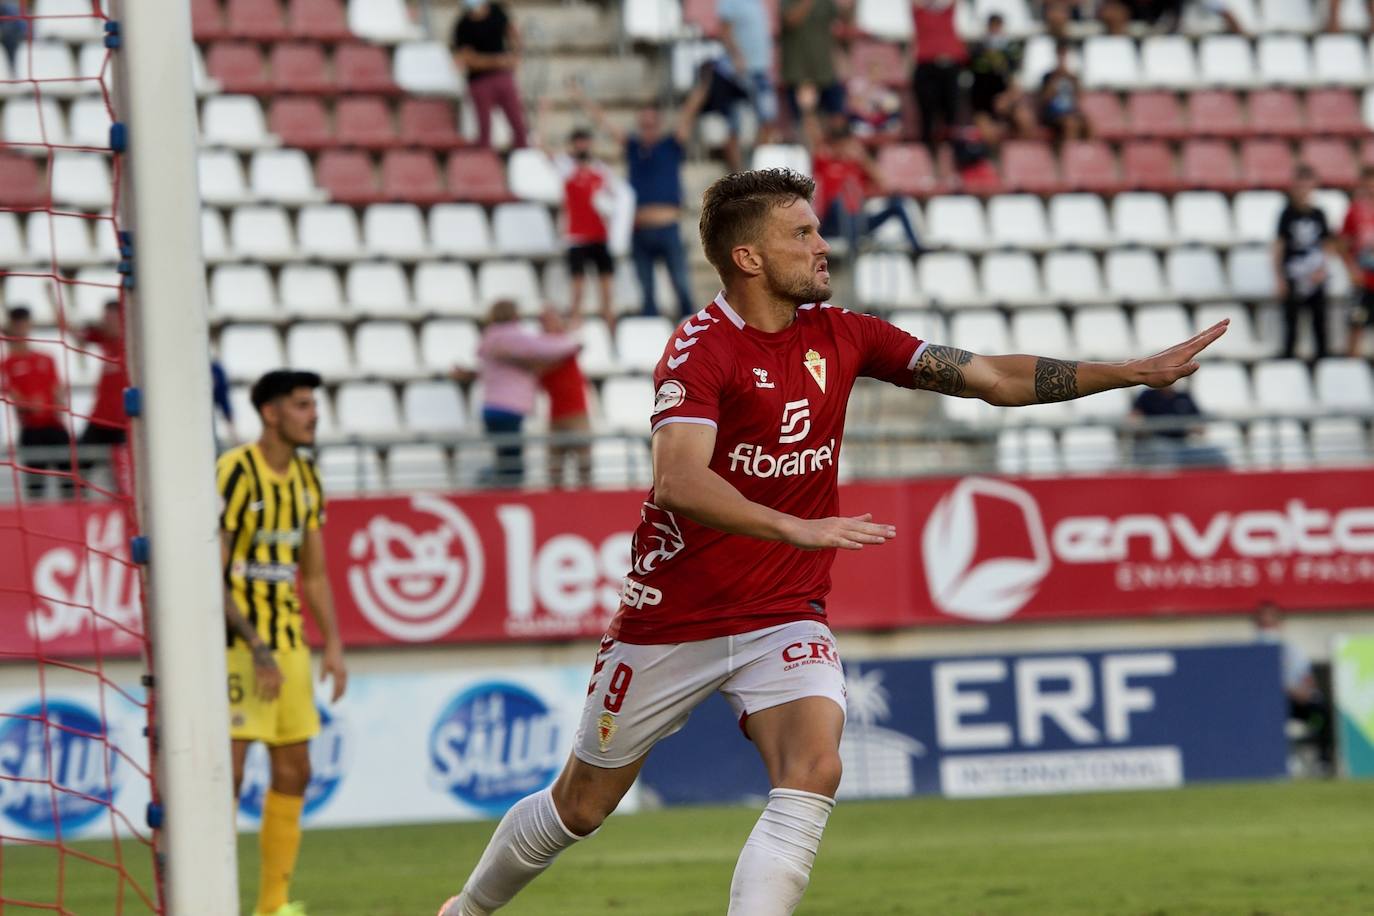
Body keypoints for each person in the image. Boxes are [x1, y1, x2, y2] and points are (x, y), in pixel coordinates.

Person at [437, 168, 1226, 916]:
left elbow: (992, 377)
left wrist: (1127, 372)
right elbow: (678, 480)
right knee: (580, 805)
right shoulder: (699, 349)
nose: (825, 246)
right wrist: (795, 524)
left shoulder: (844, 334)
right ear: (749, 257)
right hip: (673, 616)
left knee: (814, 767)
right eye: (804, 233)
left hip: (785, 609)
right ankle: (468, 908)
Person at [218, 370, 348, 916]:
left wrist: (334, 645)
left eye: (313, 404)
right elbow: (212, 571)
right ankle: (207, 895)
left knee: (296, 770)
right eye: (301, 405)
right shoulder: (235, 472)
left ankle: (271, 906)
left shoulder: (306, 478)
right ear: (270, 413)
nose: (313, 414)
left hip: (288, 643)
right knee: (226, 772)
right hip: (232, 646)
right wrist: (257, 648)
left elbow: (312, 574)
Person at [569, 79, 705, 320]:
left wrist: (702, 86)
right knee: (646, 291)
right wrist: (581, 98)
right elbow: (603, 122)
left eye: (652, 124)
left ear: (659, 125)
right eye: (644, 125)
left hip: (667, 227)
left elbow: (688, 113)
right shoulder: (633, 146)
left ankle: (694, 338)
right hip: (639, 229)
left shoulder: (670, 145)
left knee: (681, 286)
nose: (648, 129)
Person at [797, 84, 922, 257]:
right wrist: (807, 111)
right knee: (839, 202)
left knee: (897, 206)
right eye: (839, 142)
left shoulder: (856, 164)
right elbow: (813, 137)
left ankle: (917, 248)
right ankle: (854, 250)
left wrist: (863, 158)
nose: (844, 146)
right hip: (832, 224)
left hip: (858, 222)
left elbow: (883, 181)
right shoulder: (825, 160)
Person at [474, 299, 581, 486]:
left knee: (505, 457)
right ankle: (497, 497)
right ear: (514, 315)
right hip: (508, 409)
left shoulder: (490, 337)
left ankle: (492, 487)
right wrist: (573, 343)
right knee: (512, 466)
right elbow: (544, 347)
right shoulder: (510, 337)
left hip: (492, 407)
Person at [536, 102, 619, 328]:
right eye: (578, 142)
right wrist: (543, 117)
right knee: (578, 284)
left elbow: (615, 200)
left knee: (606, 283)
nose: (582, 146)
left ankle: (609, 322)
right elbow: (542, 148)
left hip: (600, 234)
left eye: (584, 141)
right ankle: (575, 320)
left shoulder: (601, 169)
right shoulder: (566, 167)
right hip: (576, 234)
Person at [1, 306, 72, 500]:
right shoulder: (6, 364)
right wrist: (29, 404)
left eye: (24, 323)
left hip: (55, 427)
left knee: (70, 484)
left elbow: (57, 389)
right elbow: (13, 396)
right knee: (35, 489)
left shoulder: (46, 358)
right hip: (31, 430)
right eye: (17, 324)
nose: (21, 328)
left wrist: (57, 403)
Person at [1255, 601, 1333, 772]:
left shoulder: (1293, 651)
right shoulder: (1251, 651)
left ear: (1280, 623)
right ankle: (1281, 760)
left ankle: (1323, 761)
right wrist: (1288, 690)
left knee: (1320, 713)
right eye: (1264, 622)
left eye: (1272, 621)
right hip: (1268, 705)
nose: (1268, 626)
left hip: (1296, 705)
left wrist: (1306, 692)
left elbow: (1307, 679)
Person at [1274, 167, 1338, 360]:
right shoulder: (1287, 214)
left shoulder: (1319, 214)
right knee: (1291, 320)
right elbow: (1279, 246)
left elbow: (1327, 244)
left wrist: (1322, 269)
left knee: (1319, 319)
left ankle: (1323, 358)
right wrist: (1279, 278)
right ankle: (1289, 357)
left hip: (1315, 274)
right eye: (1300, 186)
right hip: (1293, 273)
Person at [451, 0, 527, 149]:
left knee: (519, 125)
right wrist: (499, 61)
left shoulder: (497, 11)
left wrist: (515, 55)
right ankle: (484, 165)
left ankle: (522, 158)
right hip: (479, 82)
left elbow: (513, 33)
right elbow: (467, 59)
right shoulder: (462, 25)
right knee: (484, 130)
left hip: (503, 77)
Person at [717, 0, 780, 169]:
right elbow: (724, 32)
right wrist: (737, 57)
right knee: (735, 127)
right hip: (739, 74)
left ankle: (755, 172)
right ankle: (737, 176)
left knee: (767, 122)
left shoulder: (757, 3)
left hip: (760, 71)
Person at [538, 307, 592, 487]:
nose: (547, 324)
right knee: (555, 466)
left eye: (550, 319)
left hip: (576, 412)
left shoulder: (562, 343)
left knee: (584, 464)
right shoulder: (547, 348)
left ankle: (587, 501)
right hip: (558, 414)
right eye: (544, 321)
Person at [967, 14, 1034, 144]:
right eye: (993, 27)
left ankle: (1022, 155)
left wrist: (1008, 98)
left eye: (998, 27)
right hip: (983, 103)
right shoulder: (977, 52)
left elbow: (1016, 84)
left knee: (1025, 118)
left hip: (1004, 100)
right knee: (988, 132)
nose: (995, 31)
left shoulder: (1010, 53)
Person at [780, 0, 849, 127]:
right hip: (799, 73)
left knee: (837, 119)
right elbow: (790, 20)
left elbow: (842, 17)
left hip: (825, 71)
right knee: (805, 121)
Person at [911, 0, 967, 150]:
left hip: (949, 68)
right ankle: (928, 155)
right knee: (927, 116)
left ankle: (950, 153)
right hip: (926, 67)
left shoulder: (947, 11)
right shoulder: (920, 11)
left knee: (951, 115)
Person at [1129, 383, 1229, 468]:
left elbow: (1200, 426)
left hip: (1182, 445)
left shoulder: (1183, 396)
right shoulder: (1147, 396)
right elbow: (1134, 419)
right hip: (1157, 443)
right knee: (1166, 458)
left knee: (1216, 455)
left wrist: (1191, 426)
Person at [78, 300, 130, 450]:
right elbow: (76, 335)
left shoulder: (132, 343)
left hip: (124, 419)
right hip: (100, 418)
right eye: (105, 318)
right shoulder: (105, 340)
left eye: (111, 318)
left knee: (123, 466)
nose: (107, 322)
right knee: (79, 460)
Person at [1336, 165, 1374, 357]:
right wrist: (1351, 269)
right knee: (1357, 323)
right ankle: (1352, 369)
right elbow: (1342, 244)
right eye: (1367, 184)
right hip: (1363, 281)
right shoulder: (1355, 212)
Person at [1039, 41, 1087, 142]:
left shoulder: (1073, 77)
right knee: (1070, 124)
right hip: (1053, 114)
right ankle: (1070, 153)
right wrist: (1055, 79)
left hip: (1070, 112)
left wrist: (1073, 81)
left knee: (1088, 123)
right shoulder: (1048, 76)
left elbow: (1079, 98)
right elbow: (1045, 99)